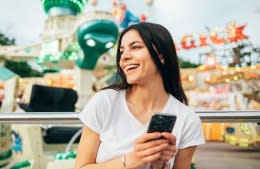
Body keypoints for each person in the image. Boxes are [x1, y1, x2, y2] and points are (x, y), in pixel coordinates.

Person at [75, 22, 205, 169]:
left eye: (135, 47)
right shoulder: (104, 102)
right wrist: (128, 161)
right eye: (122, 51)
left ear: (161, 56)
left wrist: (159, 165)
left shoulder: (187, 119)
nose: (124, 57)